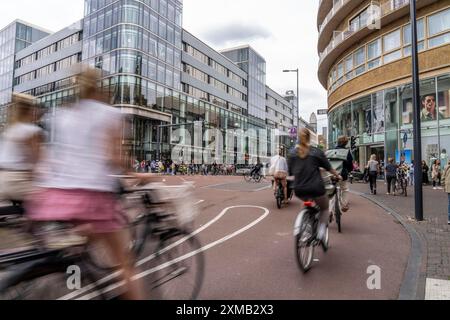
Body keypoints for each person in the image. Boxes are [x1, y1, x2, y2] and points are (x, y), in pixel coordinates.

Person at [27, 68, 144, 300]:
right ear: (101, 88)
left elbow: (53, 156)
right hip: (93, 197)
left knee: (79, 248)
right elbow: (113, 158)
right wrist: (136, 174)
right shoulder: (110, 114)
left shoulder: (60, 114)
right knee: (125, 265)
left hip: (57, 197)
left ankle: (69, 277)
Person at [288, 128, 341, 248]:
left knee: (306, 203)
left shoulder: (292, 153)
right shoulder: (316, 151)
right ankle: (321, 233)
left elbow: (291, 171)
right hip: (316, 187)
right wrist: (337, 175)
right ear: (309, 138)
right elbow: (329, 168)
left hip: (299, 189)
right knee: (324, 208)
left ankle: (305, 229)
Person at [0, 93, 44, 202]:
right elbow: (38, 161)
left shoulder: (9, 129)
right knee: (50, 199)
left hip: (3, 179)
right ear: (31, 111)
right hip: (18, 181)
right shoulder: (32, 130)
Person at [334, 136, 353, 211]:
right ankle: (344, 205)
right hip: (343, 173)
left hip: (333, 174)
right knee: (345, 189)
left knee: (331, 192)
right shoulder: (347, 152)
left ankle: (329, 211)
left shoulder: (331, 150)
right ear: (346, 143)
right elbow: (350, 164)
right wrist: (349, 170)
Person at [443, 160, 450, 225]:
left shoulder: (446, 167)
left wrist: (443, 186)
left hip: (448, 187)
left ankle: (449, 219)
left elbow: (443, 177)